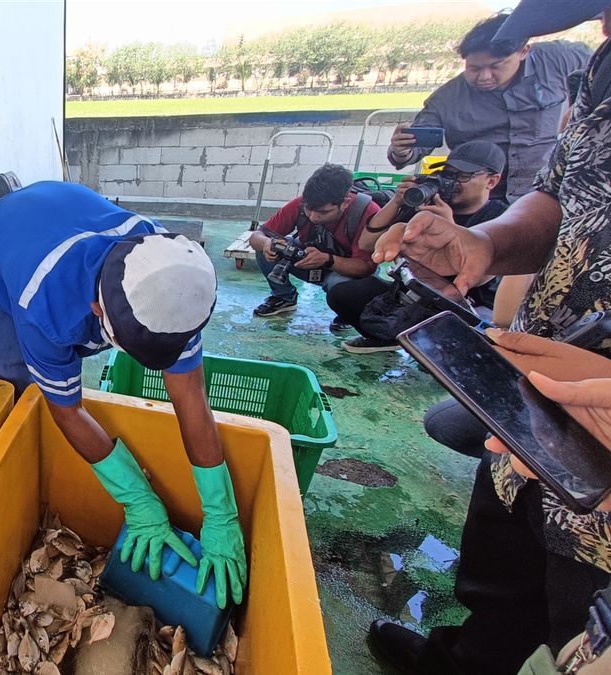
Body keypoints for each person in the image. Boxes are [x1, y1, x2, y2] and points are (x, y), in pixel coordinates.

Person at [367, 2, 611, 671]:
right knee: (501, 568)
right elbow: (560, 197)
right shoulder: (601, 71)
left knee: (579, 620)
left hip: (604, 478)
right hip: (529, 394)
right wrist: (483, 243)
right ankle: (462, 658)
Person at [0, 180, 245, 609]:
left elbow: (191, 398)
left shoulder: (171, 275)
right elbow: (68, 411)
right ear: (98, 312)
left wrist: (221, 514)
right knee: (21, 393)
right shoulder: (44, 306)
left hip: (58, 216)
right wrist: (138, 500)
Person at [326, 140, 509, 354]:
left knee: (460, 348)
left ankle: (426, 343)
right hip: (412, 296)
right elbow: (367, 244)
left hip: (466, 305)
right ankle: (386, 338)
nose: (452, 182)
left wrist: (450, 228)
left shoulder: (500, 218)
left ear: (492, 181)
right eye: (447, 174)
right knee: (344, 294)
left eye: (463, 176)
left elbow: (477, 277)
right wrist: (397, 201)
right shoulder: (429, 203)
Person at [387, 12, 590, 202]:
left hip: (547, 194)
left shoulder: (559, 59)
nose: (484, 77)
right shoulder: (446, 99)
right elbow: (412, 149)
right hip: (478, 201)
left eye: (496, 66)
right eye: (474, 68)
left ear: (523, 51)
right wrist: (401, 151)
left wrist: (585, 107)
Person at [249, 163, 380, 318]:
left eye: (323, 212)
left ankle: (347, 312)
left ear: (344, 203)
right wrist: (266, 243)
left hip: (346, 269)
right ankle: (283, 297)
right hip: (308, 260)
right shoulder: (300, 203)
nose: (313, 217)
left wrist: (327, 259)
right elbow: (256, 236)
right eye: (309, 209)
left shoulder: (368, 212)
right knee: (270, 249)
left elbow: (366, 267)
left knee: (341, 286)